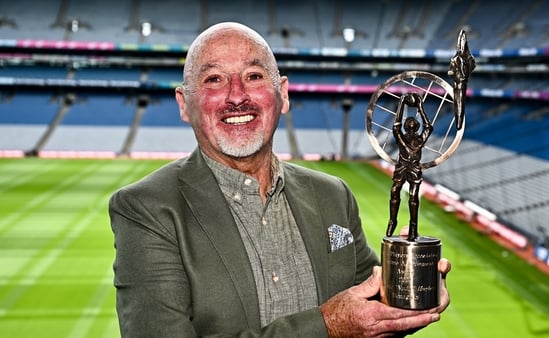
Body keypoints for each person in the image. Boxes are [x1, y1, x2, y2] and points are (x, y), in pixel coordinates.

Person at [109, 22, 450, 337]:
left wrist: (409, 290)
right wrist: (326, 326)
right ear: (184, 104)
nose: (237, 95)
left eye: (254, 76)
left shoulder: (333, 195)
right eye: (214, 79)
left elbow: (367, 317)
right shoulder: (147, 208)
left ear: (283, 94)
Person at [386, 93, 432, 241]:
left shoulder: (420, 139)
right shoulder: (401, 137)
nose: (411, 126)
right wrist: (401, 103)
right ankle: (393, 221)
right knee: (394, 191)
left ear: (416, 127)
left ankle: (413, 226)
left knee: (413, 198)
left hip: (414, 169)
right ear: (406, 127)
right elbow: (396, 126)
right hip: (401, 167)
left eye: (413, 125)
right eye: (409, 125)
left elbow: (429, 127)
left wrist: (420, 106)